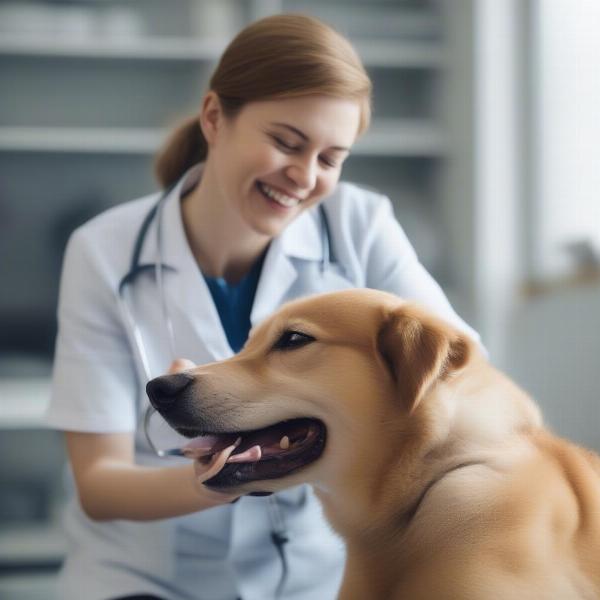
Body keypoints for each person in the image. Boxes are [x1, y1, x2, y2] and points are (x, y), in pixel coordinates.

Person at [45, 13, 481, 600]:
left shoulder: (359, 223)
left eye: (330, 158)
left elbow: (464, 372)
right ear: (214, 118)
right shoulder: (104, 250)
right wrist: (219, 479)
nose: (304, 177)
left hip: (320, 578)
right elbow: (99, 485)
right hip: (151, 579)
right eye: (285, 142)